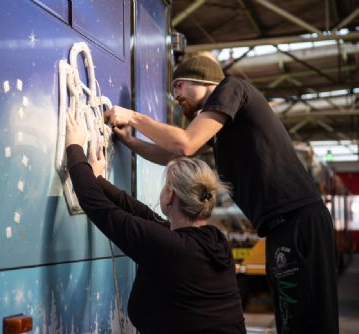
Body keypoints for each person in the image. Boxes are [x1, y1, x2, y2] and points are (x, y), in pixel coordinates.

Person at [105, 55, 338, 334]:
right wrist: (130, 141)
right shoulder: (222, 130)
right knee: (290, 320)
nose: (175, 94)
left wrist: (132, 117)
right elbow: (171, 153)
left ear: (205, 81)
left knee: (309, 323)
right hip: (280, 228)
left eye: (180, 85)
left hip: (299, 223)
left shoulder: (232, 88)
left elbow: (186, 144)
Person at [65, 111, 246, 333]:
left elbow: (97, 206)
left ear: (170, 196)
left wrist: (74, 147)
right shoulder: (214, 240)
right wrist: (99, 180)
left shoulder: (170, 246)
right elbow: (146, 217)